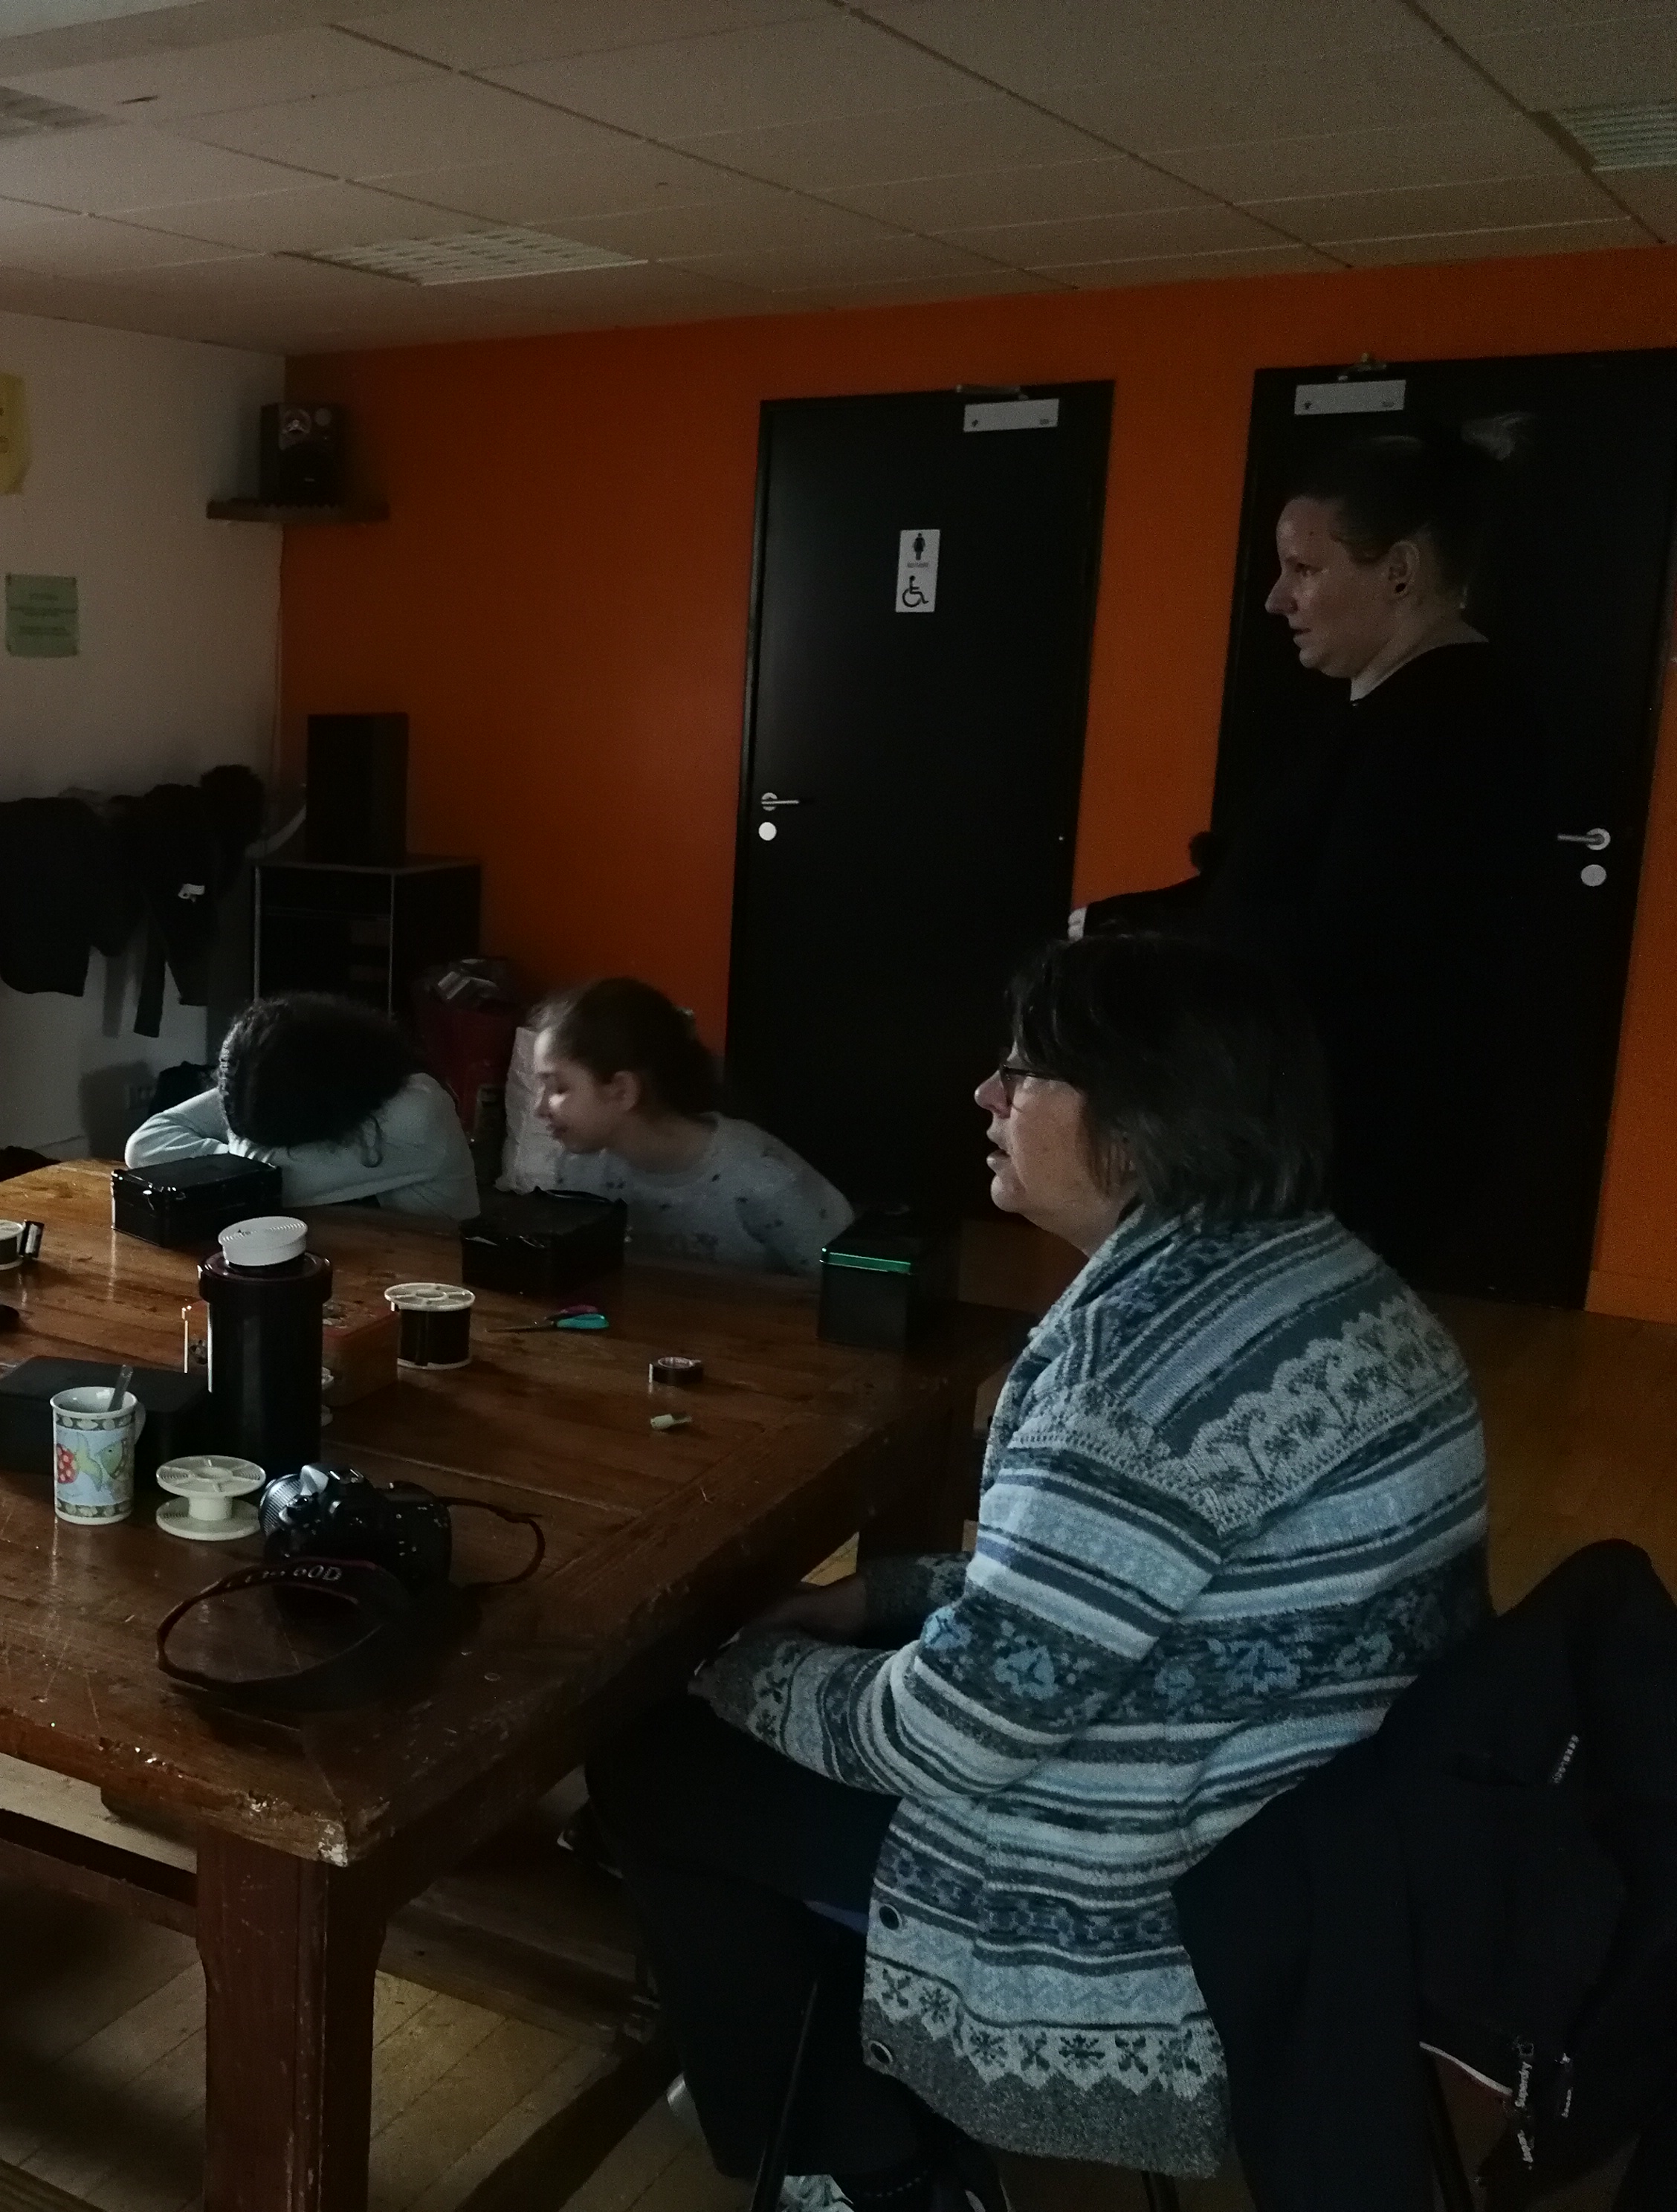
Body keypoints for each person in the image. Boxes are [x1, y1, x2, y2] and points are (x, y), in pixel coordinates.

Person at [587, 933, 1489, 2205]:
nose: (984, 1096)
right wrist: (876, 1598)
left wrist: (733, 1669)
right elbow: (1111, 1592)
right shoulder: (1316, 1274)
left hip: (1161, 1874)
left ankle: (863, 2167)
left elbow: (952, 1734)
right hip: (1313, 1819)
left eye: (1020, 1073)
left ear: (1145, 1117)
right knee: (792, 1695)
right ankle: (818, 2055)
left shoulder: (1137, 1375)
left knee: (654, 1757)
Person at [1192, 426, 1539, 1287]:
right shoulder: (1394, 713)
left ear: (1399, 572)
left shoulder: (1438, 734)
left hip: (1357, 1146)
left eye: (1303, 568)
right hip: (1332, 1132)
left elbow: (1350, 949)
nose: (1276, 598)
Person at [521, 977, 851, 1275]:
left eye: (558, 1088)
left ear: (622, 1091)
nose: (539, 1108)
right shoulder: (580, 1170)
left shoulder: (764, 1179)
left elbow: (850, 1287)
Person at [123, 992, 479, 1216]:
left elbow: (261, 1177)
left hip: (436, 1279)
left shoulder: (418, 1112)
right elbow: (144, 1144)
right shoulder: (280, 1075)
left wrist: (223, 1156)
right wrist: (233, 1152)